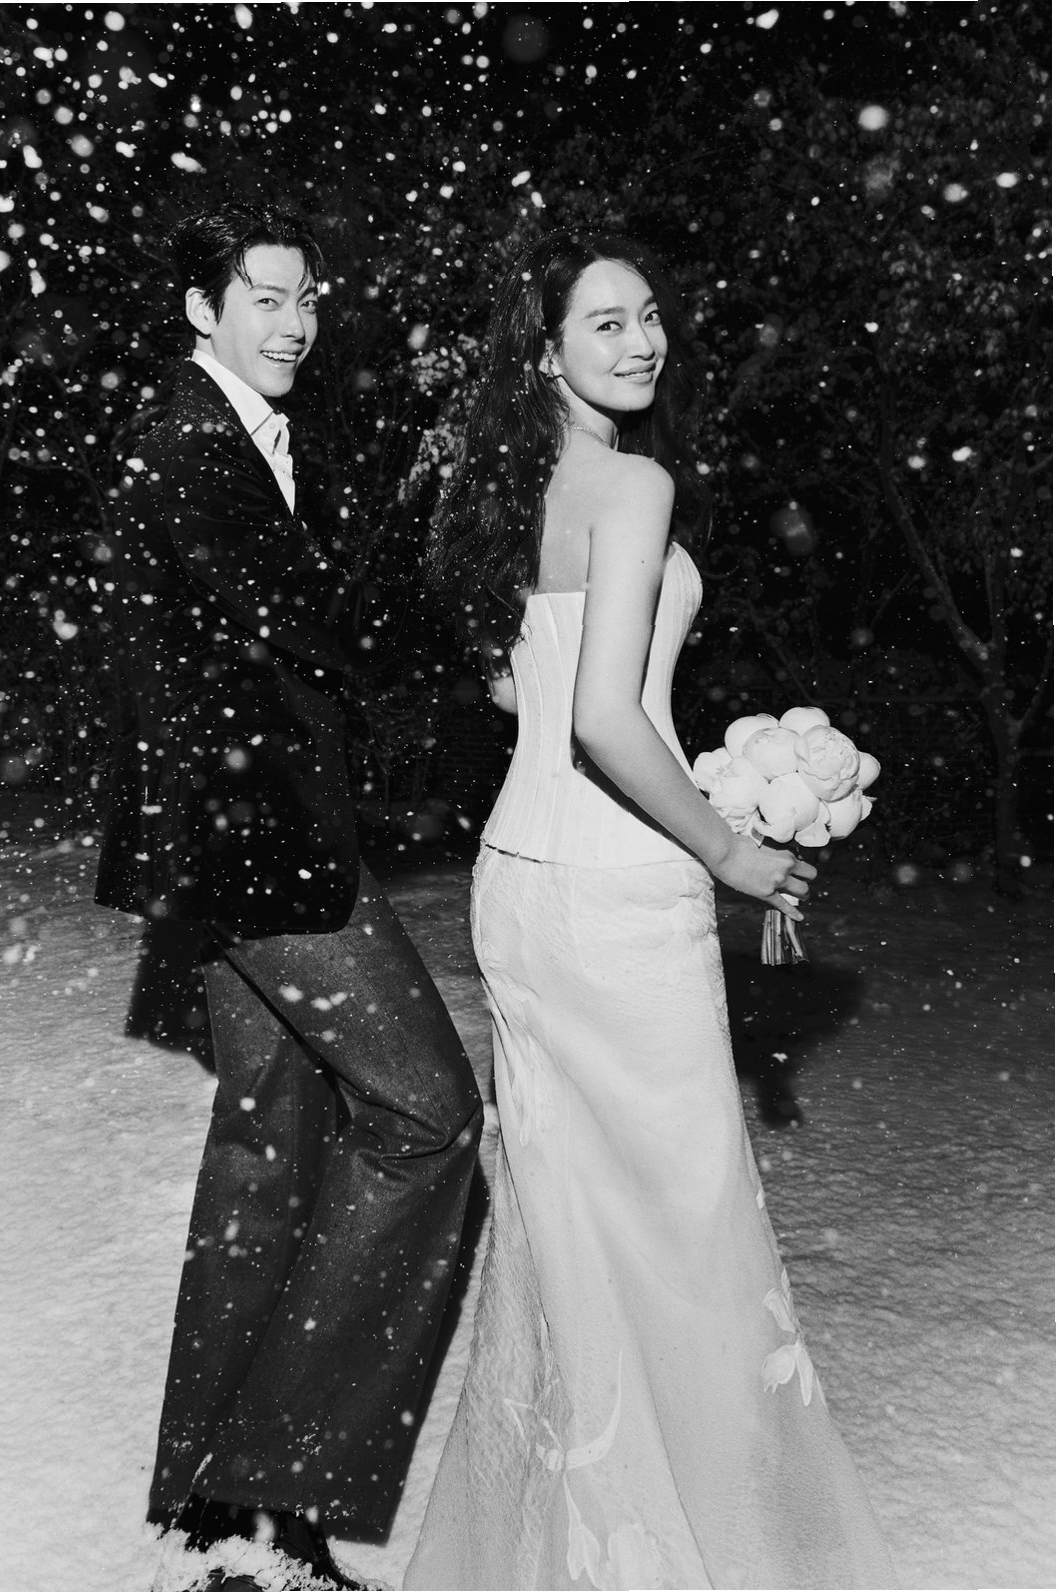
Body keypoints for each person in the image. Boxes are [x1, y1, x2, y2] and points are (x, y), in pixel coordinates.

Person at [404, 232, 895, 1590]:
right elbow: (607, 719)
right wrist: (730, 846)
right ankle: (712, 1546)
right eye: (604, 321)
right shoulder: (633, 484)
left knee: (566, 1229)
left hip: (520, 885)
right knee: (687, 1224)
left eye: (650, 315)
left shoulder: (513, 492)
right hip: (618, 893)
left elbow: (517, 691)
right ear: (544, 350)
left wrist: (711, 773)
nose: (641, 341)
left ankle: (578, 1547)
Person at [93, 199, 483, 1593]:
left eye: (308, 297)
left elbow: (289, 622)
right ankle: (273, 1480)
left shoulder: (243, 433)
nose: (297, 322)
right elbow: (310, 619)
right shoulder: (189, 443)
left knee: (271, 1137)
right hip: (255, 849)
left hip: (230, 843)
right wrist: (476, 617)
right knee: (429, 1116)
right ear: (202, 309)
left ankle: (216, 1503)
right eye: (265, 296)